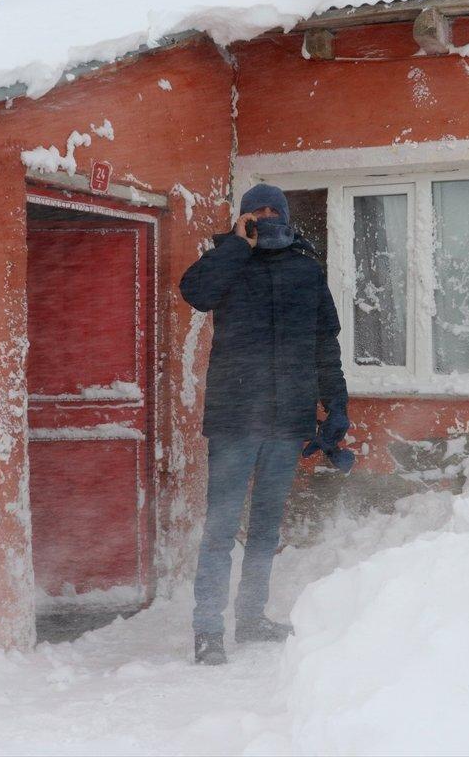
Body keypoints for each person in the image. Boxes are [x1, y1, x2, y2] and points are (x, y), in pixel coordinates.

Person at [180, 183, 350, 666]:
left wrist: (334, 404)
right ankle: (208, 629)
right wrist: (237, 246)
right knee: (220, 527)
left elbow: (325, 344)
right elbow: (195, 292)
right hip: (235, 418)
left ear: (287, 215)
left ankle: (251, 618)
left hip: (287, 420)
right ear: (243, 217)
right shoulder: (229, 262)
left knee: (265, 529)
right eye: (257, 210)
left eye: (274, 209)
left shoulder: (305, 268)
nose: (267, 215)